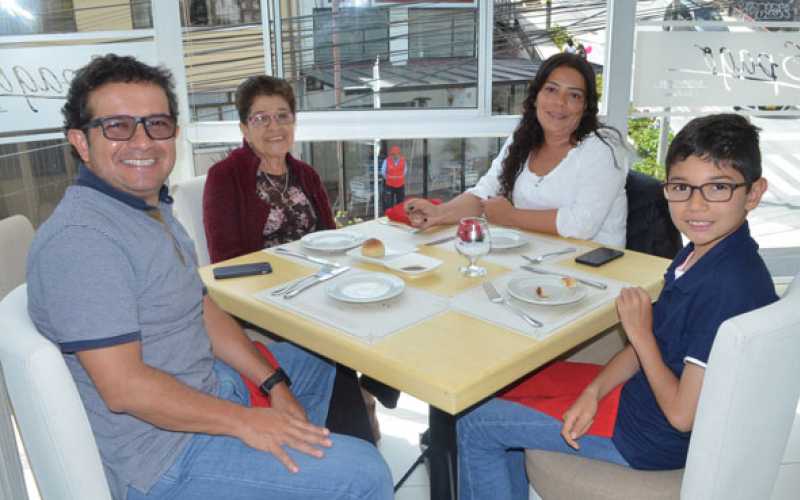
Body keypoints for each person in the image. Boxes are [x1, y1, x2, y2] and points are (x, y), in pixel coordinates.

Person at [25, 54, 393, 500]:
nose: (142, 141)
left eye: (156, 124)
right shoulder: (82, 241)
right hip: (167, 455)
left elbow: (200, 307)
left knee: (318, 362)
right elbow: (124, 389)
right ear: (81, 142)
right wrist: (247, 422)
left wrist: (272, 383)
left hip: (210, 386)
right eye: (117, 126)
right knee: (365, 473)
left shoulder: (149, 209)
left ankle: (300, 470)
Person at [456, 113, 778, 500]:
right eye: (681, 187)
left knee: (474, 424)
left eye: (718, 188)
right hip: (639, 403)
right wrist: (593, 391)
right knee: (507, 387)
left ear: (754, 193)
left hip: (646, 436)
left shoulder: (728, 287)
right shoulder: (703, 254)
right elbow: (654, 346)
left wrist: (640, 335)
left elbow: (681, 415)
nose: (695, 206)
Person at [203, 75, 399, 443]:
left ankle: (372, 390)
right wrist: (290, 272)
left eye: (283, 116)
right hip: (264, 301)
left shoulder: (305, 174)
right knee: (333, 350)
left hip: (317, 288)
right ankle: (356, 436)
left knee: (390, 303)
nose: (274, 127)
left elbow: (331, 237)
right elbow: (225, 260)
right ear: (244, 127)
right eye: (261, 118)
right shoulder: (225, 177)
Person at [405, 53, 628, 247]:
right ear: (536, 96)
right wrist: (440, 213)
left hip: (595, 274)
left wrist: (511, 216)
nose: (560, 103)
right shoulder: (525, 137)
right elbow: (487, 190)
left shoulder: (603, 147)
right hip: (535, 262)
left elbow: (581, 225)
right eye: (551, 89)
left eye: (574, 95)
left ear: (586, 106)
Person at [381, 144, 407, 210]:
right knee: (388, 203)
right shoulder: (386, 160)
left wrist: (399, 178)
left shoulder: (403, 160)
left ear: (399, 154)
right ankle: (388, 216)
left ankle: (399, 214)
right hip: (389, 185)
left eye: (396, 154)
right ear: (391, 154)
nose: (395, 156)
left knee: (400, 202)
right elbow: (383, 172)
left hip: (400, 185)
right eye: (393, 154)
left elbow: (405, 171)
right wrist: (389, 179)